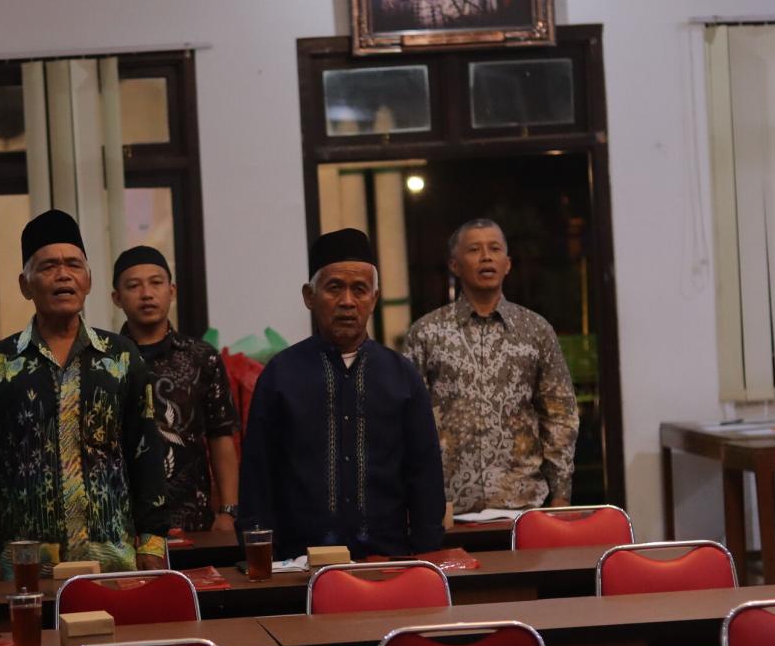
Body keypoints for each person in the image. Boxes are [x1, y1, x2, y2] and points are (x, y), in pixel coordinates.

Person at [0, 210, 169, 578]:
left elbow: (146, 453)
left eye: (74, 265)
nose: (63, 275)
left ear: (88, 280)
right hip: (24, 566)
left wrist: (152, 542)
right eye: (48, 266)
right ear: (25, 285)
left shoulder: (122, 357)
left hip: (112, 561)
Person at [239, 227, 444, 561]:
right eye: (334, 288)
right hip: (298, 565)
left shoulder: (402, 377)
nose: (348, 301)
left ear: (374, 299)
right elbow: (257, 478)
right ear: (309, 296)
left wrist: (426, 559)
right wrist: (264, 562)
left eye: (359, 289)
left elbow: (425, 476)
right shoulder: (280, 376)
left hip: (388, 563)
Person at [405, 218, 579, 514]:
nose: (486, 257)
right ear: (454, 265)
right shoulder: (426, 333)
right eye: (474, 249)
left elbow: (560, 415)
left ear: (507, 264)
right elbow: (408, 422)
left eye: (494, 249)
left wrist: (561, 494)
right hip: (447, 505)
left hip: (522, 501)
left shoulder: (536, 330)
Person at [111, 245, 239, 533]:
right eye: (134, 286)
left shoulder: (202, 358)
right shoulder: (105, 361)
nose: (146, 294)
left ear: (172, 290)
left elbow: (220, 436)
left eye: (156, 283)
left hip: (192, 518)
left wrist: (229, 511)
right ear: (117, 298)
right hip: (123, 525)